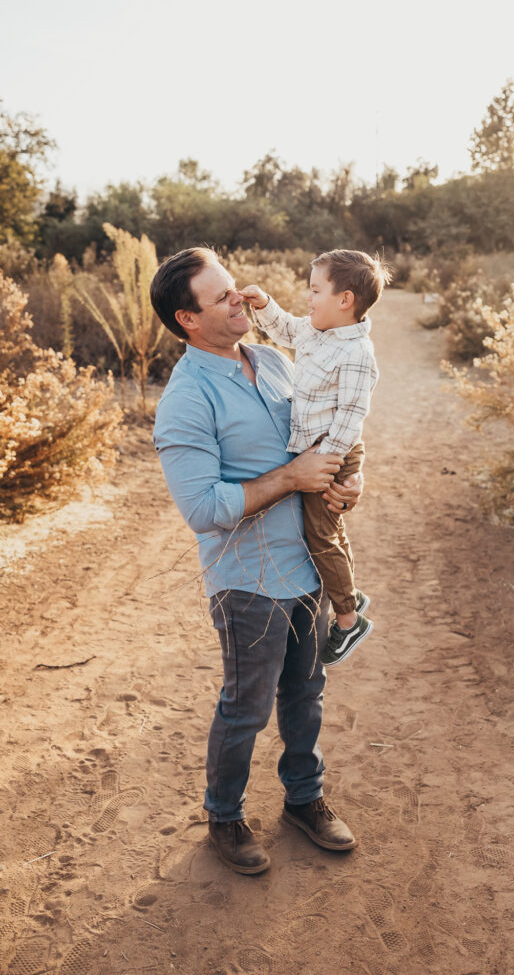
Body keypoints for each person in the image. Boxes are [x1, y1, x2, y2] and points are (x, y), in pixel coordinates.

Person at [150, 247, 362, 876]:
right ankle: (224, 815)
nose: (239, 299)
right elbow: (203, 507)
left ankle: (304, 799)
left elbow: (328, 436)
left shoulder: (272, 360)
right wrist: (292, 477)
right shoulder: (185, 399)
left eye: (233, 288)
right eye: (220, 298)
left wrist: (347, 485)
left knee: (307, 692)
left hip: (307, 570)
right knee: (247, 704)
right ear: (188, 320)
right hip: (247, 580)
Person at [241, 249, 388, 667]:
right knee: (331, 527)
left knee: (319, 533)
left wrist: (326, 461)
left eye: (315, 290)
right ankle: (351, 592)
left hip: (332, 450)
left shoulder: (356, 353)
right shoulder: (316, 331)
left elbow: (352, 415)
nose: (308, 298)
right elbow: (285, 329)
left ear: (345, 300)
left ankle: (346, 620)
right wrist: (264, 304)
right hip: (319, 448)